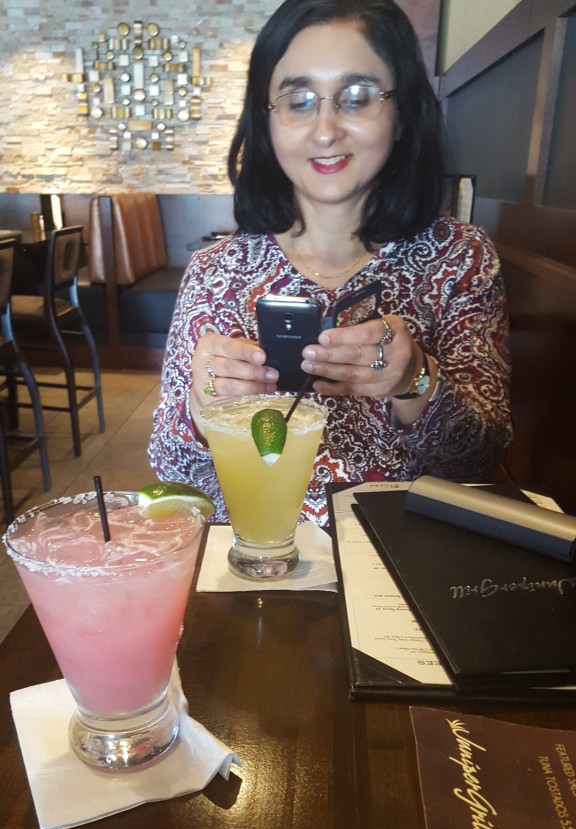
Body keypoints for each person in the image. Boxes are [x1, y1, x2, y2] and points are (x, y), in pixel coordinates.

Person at [148, 0, 512, 525]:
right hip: (255, 567)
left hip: (404, 565)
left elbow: (479, 458)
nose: (324, 130)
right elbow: (175, 479)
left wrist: (417, 379)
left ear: (404, 113)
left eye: (357, 97)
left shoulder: (460, 258)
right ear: (266, 121)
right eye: (297, 100)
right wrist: (202, 414)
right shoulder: (214, 273)